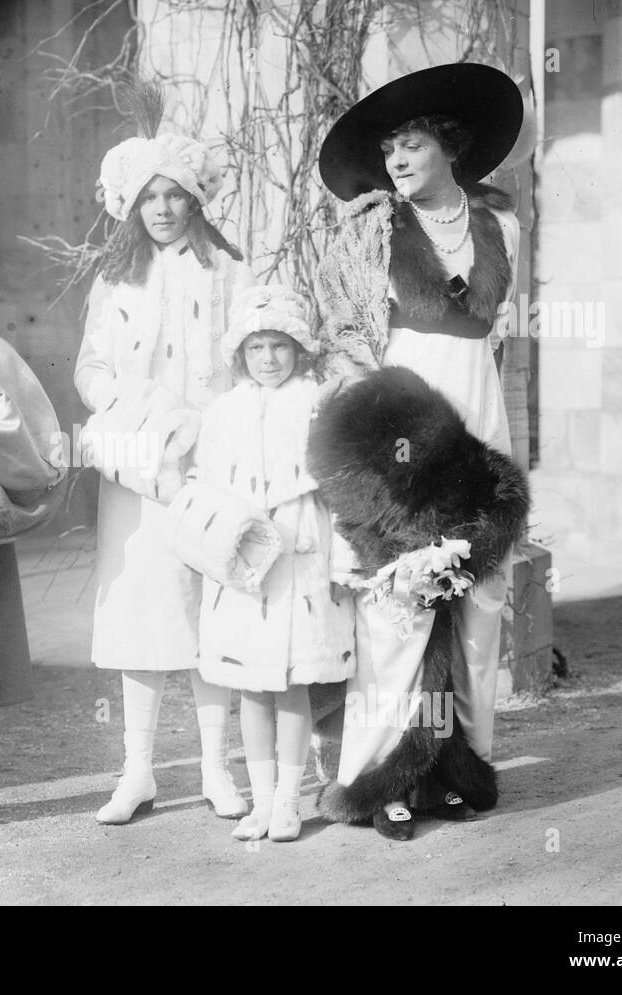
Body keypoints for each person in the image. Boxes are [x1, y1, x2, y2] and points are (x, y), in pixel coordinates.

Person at [313, 63, 525, 840]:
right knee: (399, 602)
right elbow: (347, 342)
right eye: (390, 148)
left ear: (450, 145)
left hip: (481, 427)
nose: (398, 160)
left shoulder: (502, 227)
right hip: (402, 427)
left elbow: (499, 343)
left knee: (478, 602)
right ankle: (377, 778)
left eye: (413, 144)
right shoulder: (373, 228)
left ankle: (457, 767)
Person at [74, 81, 255, 825]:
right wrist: (124, 407)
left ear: (195, 200)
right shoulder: (115, 278)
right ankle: (139, 770)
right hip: (138, 469)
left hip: (210, 464)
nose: (162, 209)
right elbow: (89, 369)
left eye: (174, 195)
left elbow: (255, 361)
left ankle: (216, 767)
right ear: (130, 204)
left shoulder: (230, 273)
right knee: (145, 623)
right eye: (148, 197)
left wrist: (209, 418)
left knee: (213, 617)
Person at [174, 285, 356, 842]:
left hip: (300, 557)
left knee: (292, 683)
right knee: (249, 688)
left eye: (279, 346)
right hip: (243, 560)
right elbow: (202, 485)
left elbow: (339, 492)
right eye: (257, 348)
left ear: (297, 349)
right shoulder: (224, 412)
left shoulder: (317, 404)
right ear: (240, 355)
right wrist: (222, 535)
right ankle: (258, 800)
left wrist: (337, 559)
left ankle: (288, 802)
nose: (268, 359)